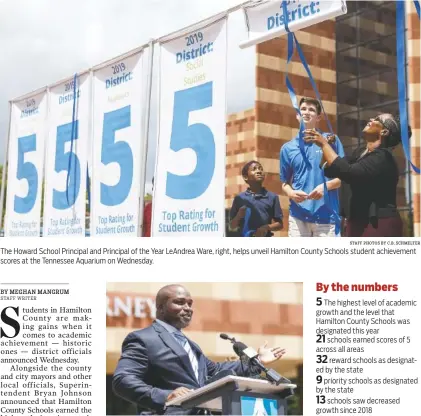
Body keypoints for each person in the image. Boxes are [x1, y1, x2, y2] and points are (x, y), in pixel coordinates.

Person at [112, 285, 286, 415]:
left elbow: (217, 371)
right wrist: (165, 395)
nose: (187, 308)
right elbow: (122, 380)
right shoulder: (143, 338)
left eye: (189, 303)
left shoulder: (190, 345)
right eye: (179, 303)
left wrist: (257, 361)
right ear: (160, 307)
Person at [304, 113, 409, 237]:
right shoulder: (360, 152)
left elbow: (349, 172)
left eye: (377, 119)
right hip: (358, 222)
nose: (371, 118)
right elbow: (331, 170)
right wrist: (327, 147)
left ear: (384, 132)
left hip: (379, 224)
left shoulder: (383, 157)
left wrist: (324, 144)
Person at [280, 97, 344, 237]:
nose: (306, 112)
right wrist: (291, 193)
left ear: (319, 117)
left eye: (311, 110)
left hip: (326, 217)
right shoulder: (287, 148)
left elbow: (343, 177)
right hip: (297, 217)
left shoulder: (330, 141)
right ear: (297, 115)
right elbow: (284, 183)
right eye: (303, 109)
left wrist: (324, 187)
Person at [230, 160, 283, 237]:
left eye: (260, 169)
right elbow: (232, 226)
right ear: (245, 177)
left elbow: (280, 224)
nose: (259, 171)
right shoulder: (239, 198)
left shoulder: (272, 197)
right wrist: (239, 215)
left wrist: (266, 228)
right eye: (254, 169)